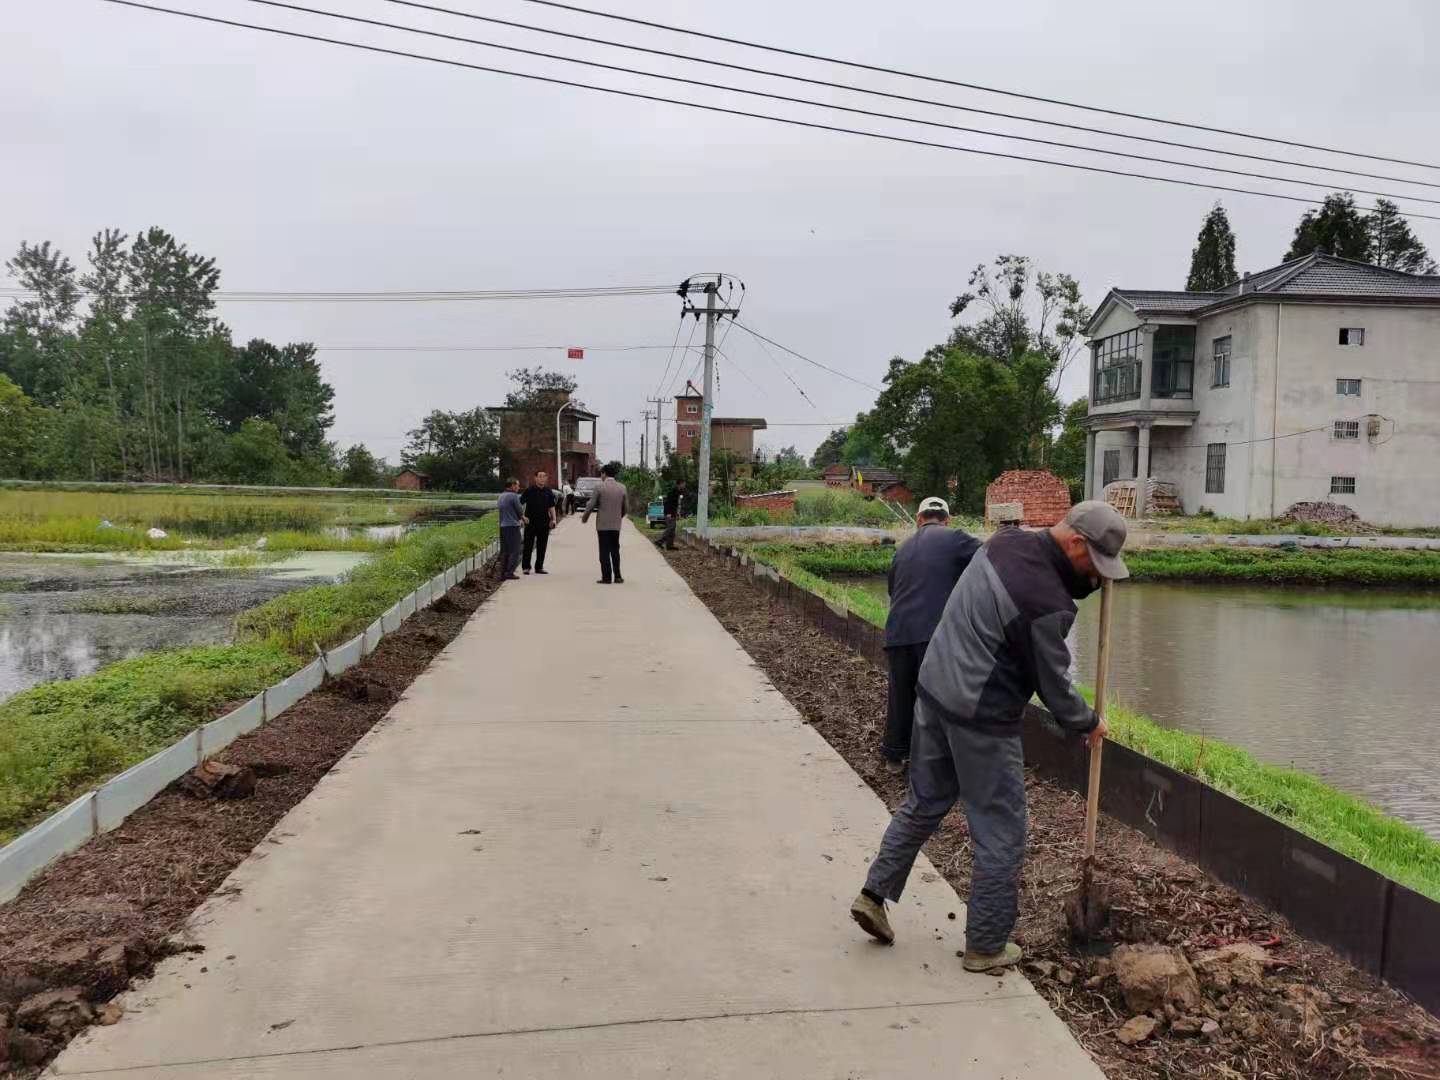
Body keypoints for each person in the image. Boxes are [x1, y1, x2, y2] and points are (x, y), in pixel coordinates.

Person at [849, 501, 1129, 974]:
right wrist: (1087, 721)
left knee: (924, 801)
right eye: (1095, 565)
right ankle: (986, 944)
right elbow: (1053, 682)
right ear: (1077, 543)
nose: (1096, 578)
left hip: (933, 691)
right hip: (980, 716)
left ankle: (873, 895)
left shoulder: (1004, 542)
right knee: (1002, 830)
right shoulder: (1046, 602)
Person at [881, 496, 980, 774]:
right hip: (933, 635)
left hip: (898, 633)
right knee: (936, 698)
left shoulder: (903, 549)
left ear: (919, 519)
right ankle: (931, 762)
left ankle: (894, 756)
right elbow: (989, 558)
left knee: (901, 695)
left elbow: (893, 590)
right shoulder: (956, 538)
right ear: (947, 520)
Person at [581, 462, 627, 584]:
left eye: (601, 474)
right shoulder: (622, 487)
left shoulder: (599, 487)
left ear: (604, 474)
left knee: (604, 551)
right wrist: (619, 517)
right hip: (616, 525)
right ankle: (618, 576)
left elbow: (591, 505)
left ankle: (606, 577)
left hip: (603, 525)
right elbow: (626, 508)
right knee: (615, 550)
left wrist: (585, 517)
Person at [520, 469, 558, 575]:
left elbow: (551, 507)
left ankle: (539, 567)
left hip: (544, 522)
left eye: (544, 476)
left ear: (546, 478)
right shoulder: (529, 490)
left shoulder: (548, 491)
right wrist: (521, 517)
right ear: (535, 478)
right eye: (540, 476)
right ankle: (526, 567)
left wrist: (554, 519)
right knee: (528, 545)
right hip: (530, 522)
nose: (542, 478)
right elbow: (520, 504)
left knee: (542, 546)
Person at [496, 478, 523, 581]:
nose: (519, 487)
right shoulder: (513, 496)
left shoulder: (501, 496)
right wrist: (522, 518)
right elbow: (520, 511)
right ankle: (509, 572)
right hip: (512, 526)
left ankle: (502, 573)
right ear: (512, 485)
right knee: (515, 550)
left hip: (503, 526)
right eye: (517, 485)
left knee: (505, 551)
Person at [653, 477, 688, 552]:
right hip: (669, 512)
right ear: (680, 484)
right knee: (670, 527)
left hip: (673, 512)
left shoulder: (678, 491)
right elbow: (669, 503)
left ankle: (670, 545)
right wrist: (669, 513)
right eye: (684, 484)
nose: (684, 485)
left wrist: (677, 513)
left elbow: (676, 504)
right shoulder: (673, 491)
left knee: (673, 529)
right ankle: (659, 541)